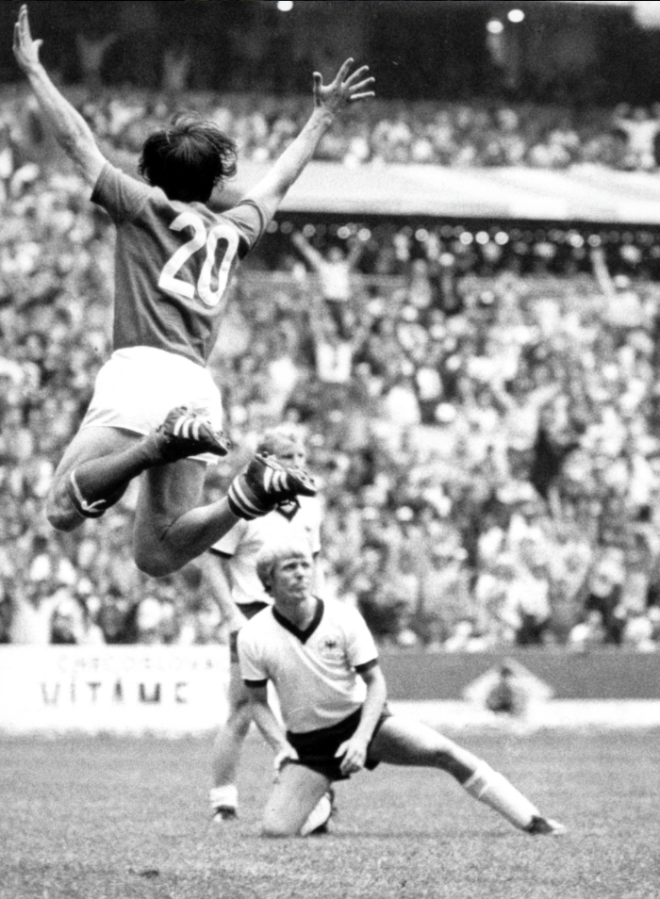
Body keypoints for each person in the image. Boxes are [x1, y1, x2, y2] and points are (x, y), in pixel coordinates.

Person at [13, 6, 375, 577]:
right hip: (198, 389)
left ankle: (155, 446)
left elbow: (79, 142)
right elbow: (279, 179)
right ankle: (248, 493)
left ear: (153, 173)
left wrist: (34, 70)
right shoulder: (235, 230)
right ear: (216, 182)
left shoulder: (141, 206)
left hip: (141, 370)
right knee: (157, 552)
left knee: (62, 509)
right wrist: (323, 116)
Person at [238, 539, 566, 838]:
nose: (300, 574)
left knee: (445, 753)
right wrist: (281, 747)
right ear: (269, 580)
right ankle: (321, 803)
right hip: (309, 743)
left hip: (363, 723)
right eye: (289, 568)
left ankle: (532, 820)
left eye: (305, 565)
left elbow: (375, 683)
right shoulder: (253, 636)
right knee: (276, 832)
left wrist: (361, 740)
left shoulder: (342, 616)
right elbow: (257, 703)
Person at [205, 427, 326, 825]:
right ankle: (223, 800)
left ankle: (318, 796)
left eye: (301, 457)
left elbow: (314, 560)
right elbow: (212, 561)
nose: (297, 465)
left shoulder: (309, 505)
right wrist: (231, 614)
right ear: (267, 460)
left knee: (310, 708)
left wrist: (321, 606)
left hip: (298, 612)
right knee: (241, 709)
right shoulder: (242, 502)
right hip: (254, 612)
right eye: (288, 457)